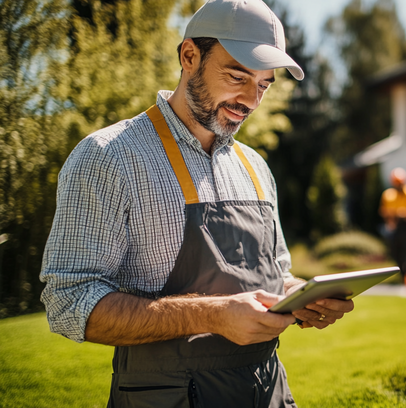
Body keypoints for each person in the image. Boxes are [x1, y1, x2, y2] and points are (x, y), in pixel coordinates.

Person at [39, 1, 354, 406]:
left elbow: (277, 274)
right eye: (237, 75)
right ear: (189, 56)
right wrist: (212, 315)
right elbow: (69, 300)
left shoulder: (255, 166)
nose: (250, 100)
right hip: (169, 396)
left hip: (268, 390)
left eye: (263, 85)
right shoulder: (108, 156)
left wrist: (301, 297)